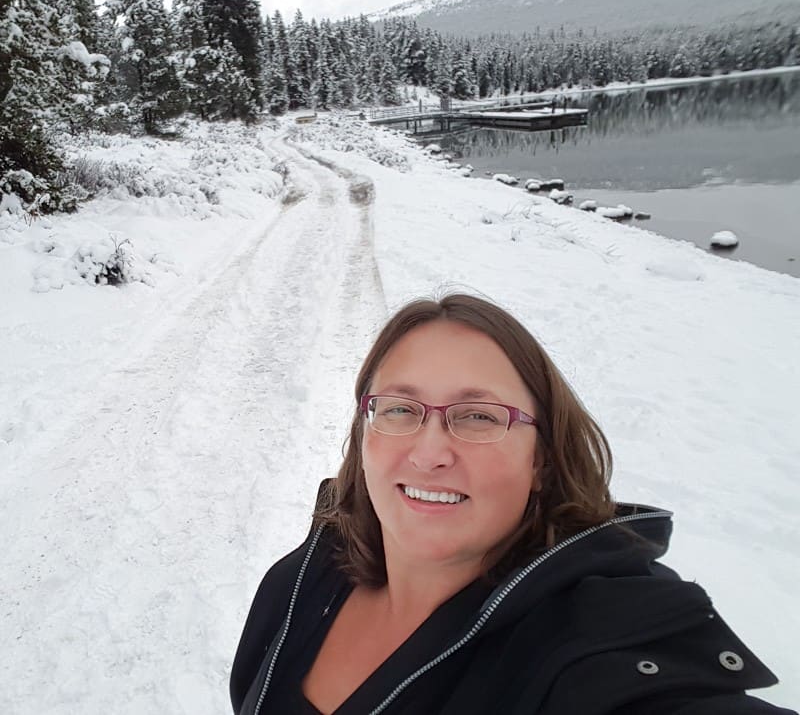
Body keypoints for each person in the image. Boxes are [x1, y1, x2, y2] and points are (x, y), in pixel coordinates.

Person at [230, 294, 795, 715]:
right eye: (400, 408)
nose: (429, 454)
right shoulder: (307, 577)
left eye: (479, 416)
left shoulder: (591, 655)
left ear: (542, 458)